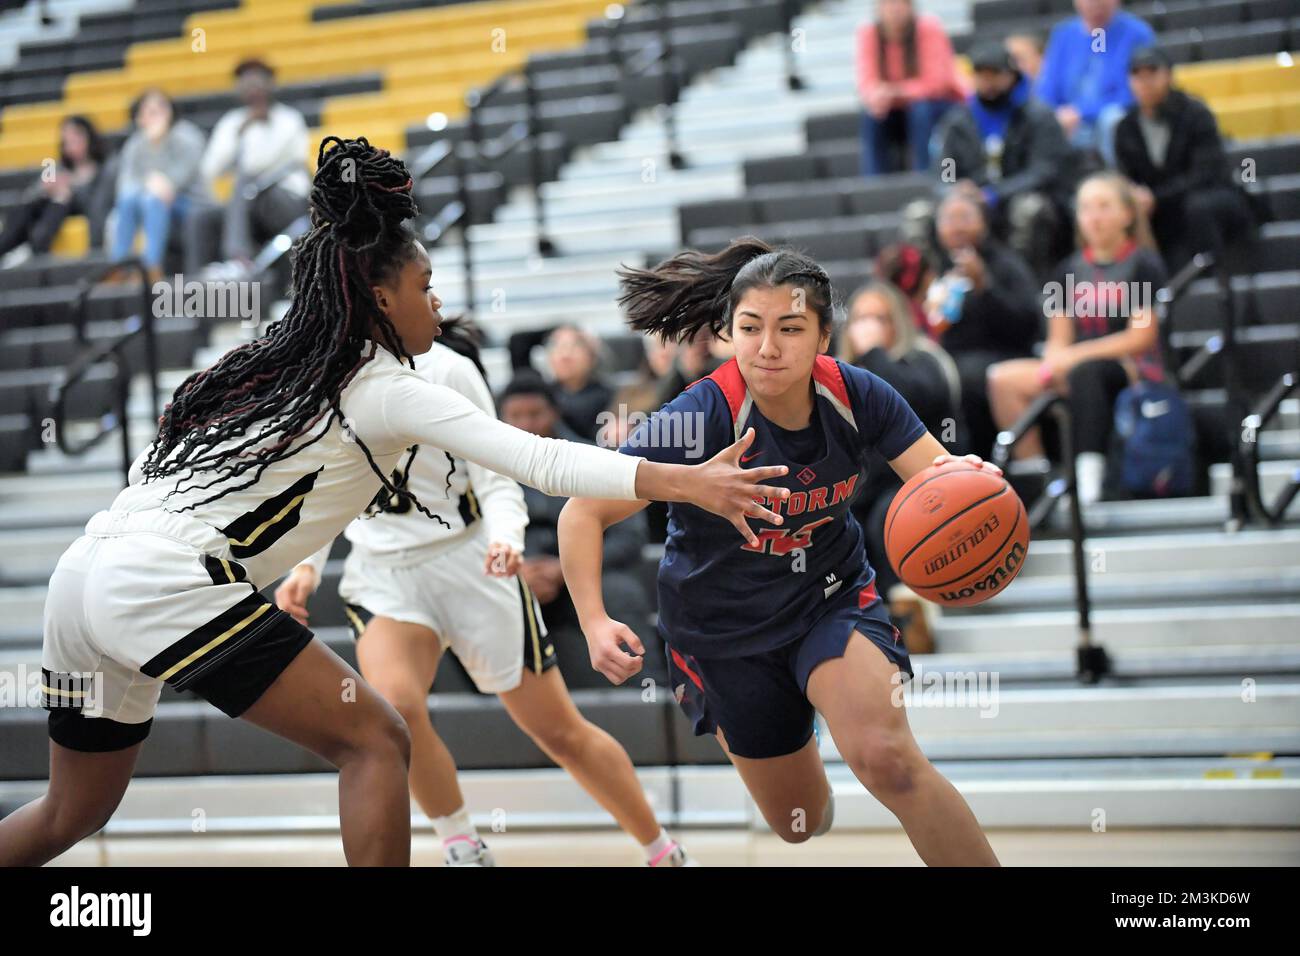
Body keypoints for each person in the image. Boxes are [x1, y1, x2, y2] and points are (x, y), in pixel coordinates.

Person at [0, 137, 790, 868]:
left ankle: (639, 844)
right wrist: (684, 480)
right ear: (377, 296)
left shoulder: (271, 366)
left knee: (70, 812)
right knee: (377, 736)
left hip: (83, 573)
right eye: (425, 287)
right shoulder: (383, 387)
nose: (437, 309)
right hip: (166, 579)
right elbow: (541, 459)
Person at [558, 237, 1001, 864]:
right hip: (722, 631)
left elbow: (938, 477)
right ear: (727, 333)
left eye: (790, 329)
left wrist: (969, 480)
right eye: (751, 328)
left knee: (888, 759)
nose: (768, 348)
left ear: (823, 337)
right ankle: (802, 727)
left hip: (830, 599)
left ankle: (835, 698)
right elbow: (583, 509)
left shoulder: (858, 395)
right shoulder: (701, 415)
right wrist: (594, 621)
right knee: (799, 822)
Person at [274, 327, 694, 867]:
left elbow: (497, 479)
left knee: (558, 730)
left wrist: (505, 538)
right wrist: (305, 566)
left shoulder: (449, 370)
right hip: (385, 572)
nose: (436, 302)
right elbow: (321, 487)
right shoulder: (323, 378)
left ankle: (661, 849)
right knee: (394, 710)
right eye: (423, 287)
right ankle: (461, 843)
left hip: (470, 559)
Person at [986, 171, 1166, 505]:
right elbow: (1059, 337)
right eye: (1086, 208)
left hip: (1131, 369)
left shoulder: (1144, 263)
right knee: (1003, 379)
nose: (1094, 217)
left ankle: (1087, 484)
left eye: (1104, 207)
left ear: (1127, 214)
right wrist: (1055, 360)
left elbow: (1141, 337)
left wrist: (1075, 356)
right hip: (1078, 367)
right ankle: (1037, 477)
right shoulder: (1066, 270)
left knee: (1088, 373)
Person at [498, 372, 659, 688]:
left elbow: (630, 537)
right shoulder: (484, 472)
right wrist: (519, 576)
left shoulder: (592, 459)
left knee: (620, 593)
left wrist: (564, 570)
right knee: (476, 603)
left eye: (535, 414)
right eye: (516, 416)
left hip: (587, 577)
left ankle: (648, 694)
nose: (526, 424)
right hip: (513, 578)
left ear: (554, 412)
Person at [931, 41, 1075, 280]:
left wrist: (995, 194)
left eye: (995, 74)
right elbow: (945, 170)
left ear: (1011, 76)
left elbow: (1044, 170)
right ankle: (943, 284)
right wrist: (955, 191)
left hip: (1018, 197)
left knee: (1029, 209)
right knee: (923, 214)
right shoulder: (956, 124)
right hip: (972, 203)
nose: (988, 82)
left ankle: (1027, 282)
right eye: (981, 75)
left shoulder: (1037, 117)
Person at [1115, 45, 1256, 273]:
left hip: (1208, 197)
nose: (1145, 82)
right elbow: (1125, 176)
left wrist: (1156, 197)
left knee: (1198, 207)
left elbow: (1206, 174)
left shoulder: (1196, 113)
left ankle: (1215, 278)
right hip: (1160, 209)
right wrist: (1136, 197)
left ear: (1168, 75)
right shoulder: (1126, 127)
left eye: (1152, 73)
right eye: (1137, 75)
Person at [926, 188, 1041, 457]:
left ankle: (979, 461)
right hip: (949, 360)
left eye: (965, 217)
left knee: (965, 379)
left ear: (984, 222)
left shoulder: (1006, 264)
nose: (957, 227)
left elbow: (1027, 324)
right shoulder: (936, 267)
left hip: (1002, 356)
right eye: (948, 219)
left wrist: (984, 287)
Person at [186, 59, 311, 280]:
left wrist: (253, 129)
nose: (253, 88)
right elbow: (210, 168)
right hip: (246, 203)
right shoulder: (233, 123)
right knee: (201, 218)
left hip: (285, 199)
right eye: (246, 83)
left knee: (245, 181)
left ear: (270, 84)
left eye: (258, 81)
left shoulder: (288, 119)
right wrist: (239, 134)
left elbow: (265, 163)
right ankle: (198, 286)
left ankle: (238, 258)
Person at [1036, 0, 1154, 164]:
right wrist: (1055, 115)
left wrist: (1082, 112)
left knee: (1112, 119)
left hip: (1113, 117)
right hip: (1068, 121)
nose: (1096, 5)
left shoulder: (1136, 34)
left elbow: (1134, 92)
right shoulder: (1063, 34)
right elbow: (1048, 87)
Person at [855, 0, 965, 176]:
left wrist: (894, 92)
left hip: (941, 106)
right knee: (872, 114)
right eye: (888, 4)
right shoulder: (868, 33)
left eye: (900, 4)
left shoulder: (929, 27)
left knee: (920, 108)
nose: (894, 10)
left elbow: (937, 84)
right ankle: (874, 183)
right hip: (898, 111)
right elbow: (867, 83)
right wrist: (877, 97)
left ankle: (925, 177)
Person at [108, 89, 207, 280]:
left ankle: (150, 268)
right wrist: (150, 183)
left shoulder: (188, 137)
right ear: (139, 118)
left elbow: (176, 182)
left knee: (153, 199)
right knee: (129, 200)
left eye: (161, 109)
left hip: (190, 202)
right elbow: (125, 186)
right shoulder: (135, 144)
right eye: (149, 111)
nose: (156, 115)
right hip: (148, 200)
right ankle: (118, 267)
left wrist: (156, 146)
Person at [0, 116, 113, 265]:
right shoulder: (58, 167)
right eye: (67, 142)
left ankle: (34, 247)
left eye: (75, 140)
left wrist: (71, 188)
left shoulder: (104, 168)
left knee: (61, 199)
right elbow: (29, 195)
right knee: (27, 207)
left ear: (88, 137)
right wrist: (45, 188)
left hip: (71, 211)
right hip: (46, 209)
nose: (71, 147)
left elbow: (98, 205)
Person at [544, 324, 614, 441]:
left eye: (574, 347)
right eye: (558, 348)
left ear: (592, 356)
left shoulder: (611, 395)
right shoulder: (542, 396)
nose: (565, 355)